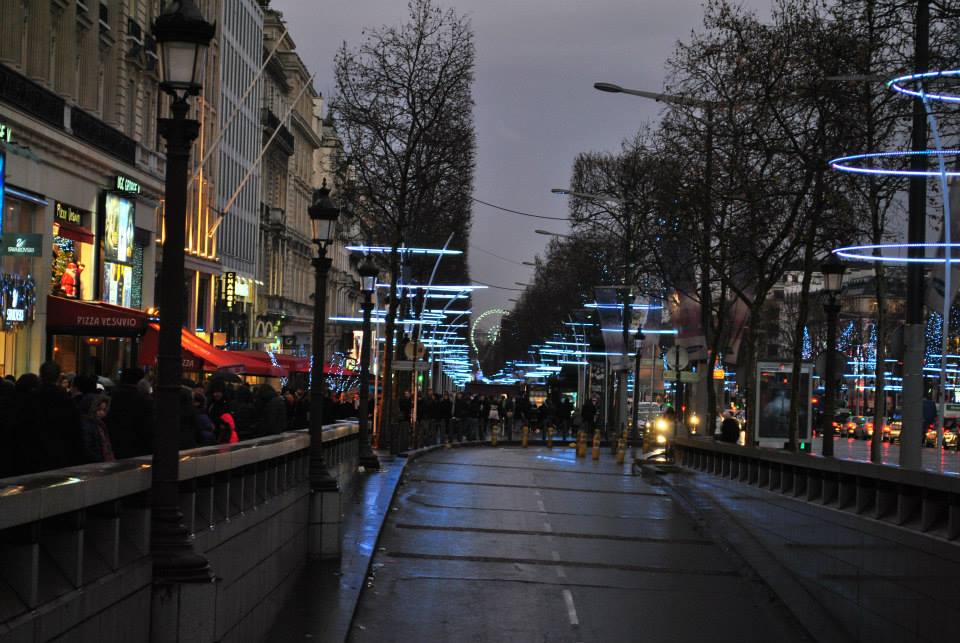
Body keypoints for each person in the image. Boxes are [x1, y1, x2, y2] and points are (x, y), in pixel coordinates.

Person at [107, 367, 155, 459]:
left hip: (115, 445)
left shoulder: (113, 396)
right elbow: (148, 427)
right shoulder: (144, 400)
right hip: (138, 448)